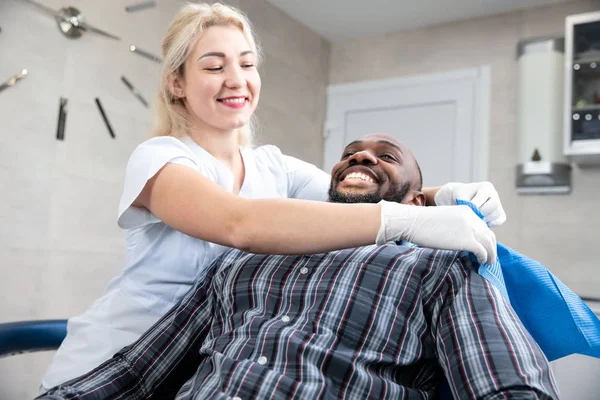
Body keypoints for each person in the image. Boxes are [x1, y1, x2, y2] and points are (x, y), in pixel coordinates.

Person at [40, 2, 506, 390]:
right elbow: (236, 223)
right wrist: (409, 221)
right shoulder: (159, 158)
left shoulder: (274, 166)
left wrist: (440, 194)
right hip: (119, 366)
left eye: (246, 63)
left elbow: (357, 188)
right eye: (213, 65)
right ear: (176, 83)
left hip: (200, 371)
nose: (236, 79)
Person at [37, 134, 558, 400]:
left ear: (416, 207)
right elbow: (138, 371)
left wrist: (440, 198)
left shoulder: (435, 269)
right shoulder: (243, 259)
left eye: (385, 155)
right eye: (351, 153)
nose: (360, 158)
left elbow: (506, 385)